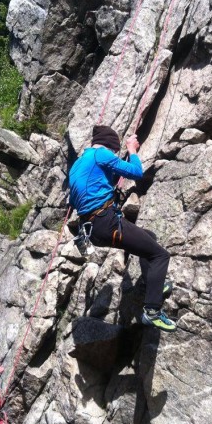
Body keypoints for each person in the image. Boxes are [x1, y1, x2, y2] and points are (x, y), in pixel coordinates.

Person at [69, 125, 176, 332]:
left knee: (148, 238)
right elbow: (136, 172)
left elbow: (76, 200)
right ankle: (152, 311)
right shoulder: (101, 154)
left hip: (92, 229)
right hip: (106, 222)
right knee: (160, 255)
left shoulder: (78, 164)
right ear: (110, 146)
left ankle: (153, 282)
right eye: (114, 150)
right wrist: (132, 150)